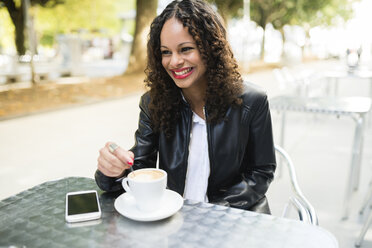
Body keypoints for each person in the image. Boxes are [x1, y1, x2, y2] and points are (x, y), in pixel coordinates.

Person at [95, 0, 276, 214]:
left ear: (210, 48)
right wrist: (114, 172)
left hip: (232, 218)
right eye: (166, 52)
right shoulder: (153, 103)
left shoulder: (252, 102)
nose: (174, 62)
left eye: (186, 49)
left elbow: (261, 172)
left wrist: (215, 210)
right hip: (174, 219)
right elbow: (141, 167)